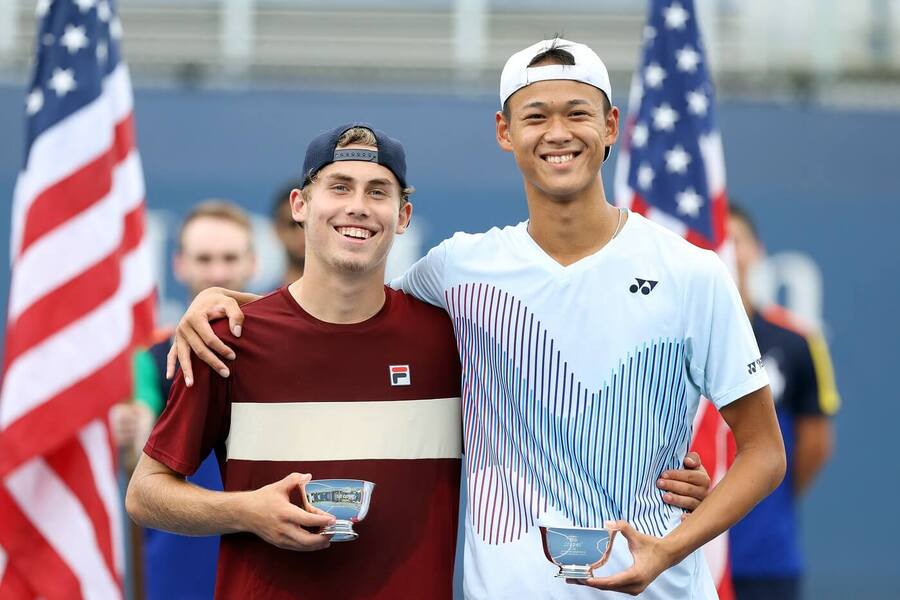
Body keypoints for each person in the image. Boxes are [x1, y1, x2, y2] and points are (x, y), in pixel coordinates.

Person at [167, 38, 783, 599]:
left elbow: (764, 453)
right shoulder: (461, 269)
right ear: (504, 131)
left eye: (577, 112)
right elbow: (342, 304)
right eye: (536, 115)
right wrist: (227, 301)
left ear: (611, 126)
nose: (557, 133)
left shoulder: (692, 273)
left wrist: (671, 547)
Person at [126, 124, 466, 599]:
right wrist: (246, 511)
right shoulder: (227, 338)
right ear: (300, 206)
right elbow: (145, 494)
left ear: (403, 215)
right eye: (339, 187)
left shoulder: (453, 341)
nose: (358, 206)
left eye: (378, 192)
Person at [113, 200, 257, 599]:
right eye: (204, 258)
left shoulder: (280, 346)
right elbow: (136, 453)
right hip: (179, 567)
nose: (217, 273)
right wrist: (134, 430)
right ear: (179, 264)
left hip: (266, 562)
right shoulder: (150, 357)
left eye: (229, 257)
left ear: (254, 262)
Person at [726, 204, 840, 600]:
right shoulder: (667, 340)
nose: (725, 249)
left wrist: (761, 492)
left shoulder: (797, 340)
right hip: (675, 555)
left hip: (763, 558)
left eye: (735, 239)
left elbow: (814, 444)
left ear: (757, 250)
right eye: (715, 237)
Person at [271, 182, 307, 284]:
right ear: (277, 230)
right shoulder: (259, 299)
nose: (302, 233)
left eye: (309, 224)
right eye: (292, 224)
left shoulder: (348, 298)